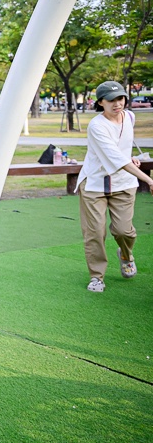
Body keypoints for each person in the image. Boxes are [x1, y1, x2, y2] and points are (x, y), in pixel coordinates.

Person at [76, 81, 153, 293]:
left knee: (123, 231)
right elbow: (113, 157)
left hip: (123, 183)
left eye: (120, 98)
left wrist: (129, 157)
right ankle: (97, 276)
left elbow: (121, 148)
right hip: (94, 183)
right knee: (95, 232)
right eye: (111, 100)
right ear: (101, 102)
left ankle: (126, 254)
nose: (117, 103)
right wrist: (148, 180)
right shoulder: (96, 125)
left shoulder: (130, 116)